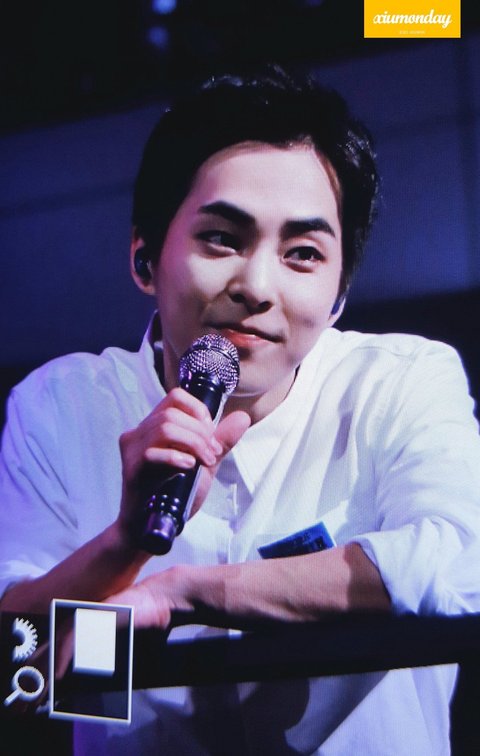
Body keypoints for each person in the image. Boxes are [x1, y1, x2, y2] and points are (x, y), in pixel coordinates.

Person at [1, 65, 479, 754]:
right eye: (222, 238)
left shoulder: (398, 381)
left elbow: (462, 563)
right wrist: (126, 542)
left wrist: (188, 591)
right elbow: (14, 662)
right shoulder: (61, 406)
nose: (256, 286)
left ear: (340, 296)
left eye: (302, 254)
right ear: (144, 258)